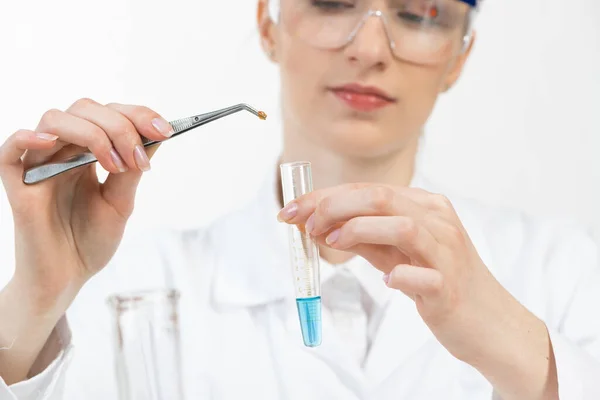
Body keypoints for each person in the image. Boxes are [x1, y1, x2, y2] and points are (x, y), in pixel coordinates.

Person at [1, 0, 599, 398]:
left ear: (459, 57)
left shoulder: (564, 272)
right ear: (268, 22)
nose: (370, 48)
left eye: (418, 13)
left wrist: (523, 355)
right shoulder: (129, 286)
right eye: (334, 1)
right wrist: (37, 295)